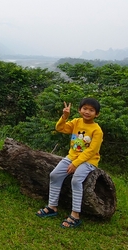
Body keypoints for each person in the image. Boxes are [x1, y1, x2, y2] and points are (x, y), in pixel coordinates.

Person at [35, 98, 103, 228]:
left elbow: (91, 150)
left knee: (76, 180)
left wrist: (76, 163)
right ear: (79, 110)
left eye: (91, 110)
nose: (87, 112)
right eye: (85, 109)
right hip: (72, 157)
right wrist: (64, 116)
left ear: (97, 114)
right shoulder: (76, 122)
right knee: (54, 175)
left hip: (89, 161)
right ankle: (52, 207)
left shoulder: (97, 130)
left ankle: (75, 215)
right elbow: (60, 128)